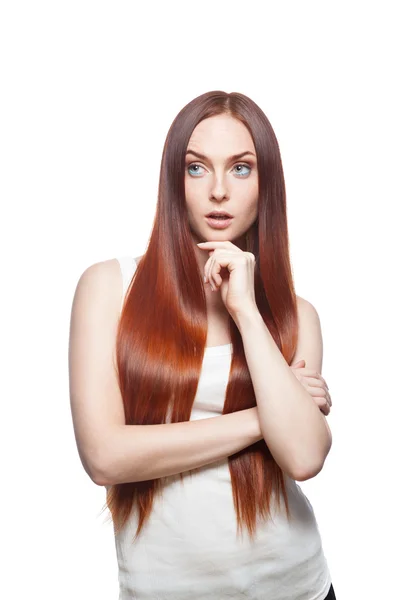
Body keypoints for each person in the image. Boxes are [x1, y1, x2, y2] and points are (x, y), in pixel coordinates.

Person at [68, 90, 337, 599]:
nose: (218, 190)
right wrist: (266, 417)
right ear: (175, 180)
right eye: (197, 168)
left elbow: (303, 456)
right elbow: (104, 456)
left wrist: (245, 312)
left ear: (266, 185)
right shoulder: (108, 289)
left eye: (240, 169)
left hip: (295, 586)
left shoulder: (296, 317)